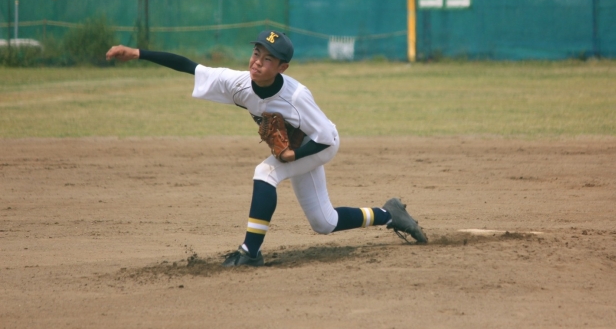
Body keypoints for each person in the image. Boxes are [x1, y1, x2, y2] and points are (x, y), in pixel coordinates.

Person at [106, 30, 427, 267]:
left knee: (266, 172)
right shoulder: (238, 83)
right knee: (324, 222)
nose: (257, 62)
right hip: (305, 146)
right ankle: (390, 214)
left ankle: (250, 251)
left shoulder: (297, 97)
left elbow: (325, 139)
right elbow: (190, 66)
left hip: (321, 143)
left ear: (282, 67)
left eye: (267, 58)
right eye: (256, 53)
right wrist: (138, 53)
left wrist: (293, 155)